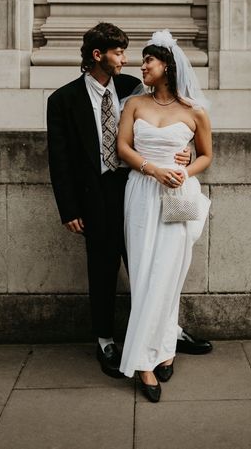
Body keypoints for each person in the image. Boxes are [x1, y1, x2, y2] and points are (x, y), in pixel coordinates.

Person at [47, 23, 212, 380]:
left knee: (158, 265)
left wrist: (184, 150)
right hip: (99, 196)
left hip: (138, 187)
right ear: (97, 55)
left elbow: (170, 118)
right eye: (119, 53)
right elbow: (58, 160)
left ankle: (165, 334)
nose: (128, 59)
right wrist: (70, 208)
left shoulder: (130, 88)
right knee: (104, 267)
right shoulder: (63, 100)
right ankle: (106, 339)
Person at [117, 29, 213, 402]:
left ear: (168, 67)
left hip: (177, 196)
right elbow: (123, 148)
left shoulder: (194, 112)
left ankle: (165, 349)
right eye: (143, 60)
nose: (142, 66)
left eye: (148, 61)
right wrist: (151, 169)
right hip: (141, 192)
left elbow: (206, 155)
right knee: (144, 274)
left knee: (170, 274)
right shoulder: (135, 105)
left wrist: (183, 172)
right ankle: (144, 361)